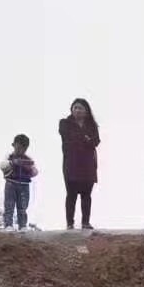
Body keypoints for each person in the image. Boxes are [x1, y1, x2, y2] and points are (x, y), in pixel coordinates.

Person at [59, 98, 100, 230]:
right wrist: (86, 138)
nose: (77, 110)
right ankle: (70, 223)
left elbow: (96, 141)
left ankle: (85, 222)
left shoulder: (92, 125)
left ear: (86, 111)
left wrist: (86, 139)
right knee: (71, 194)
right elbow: (68, 137)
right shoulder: (65, 123)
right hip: (71, 163)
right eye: (75, 107)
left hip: (88, 163)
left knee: (86, 194)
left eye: (80, 108)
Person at [0, 133, 38, 231]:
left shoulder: (28, 159)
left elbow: (35, 172)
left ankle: (23, 225)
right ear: (14, 145)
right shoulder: (9, 156)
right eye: (18, 147)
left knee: (23, 206)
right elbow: (2, 165)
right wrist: (12, 163)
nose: (20, 150)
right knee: (9, 205)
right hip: (11, 183)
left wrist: (28, 167)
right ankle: (8, 225)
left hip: (24, 185)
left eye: (23, 148)